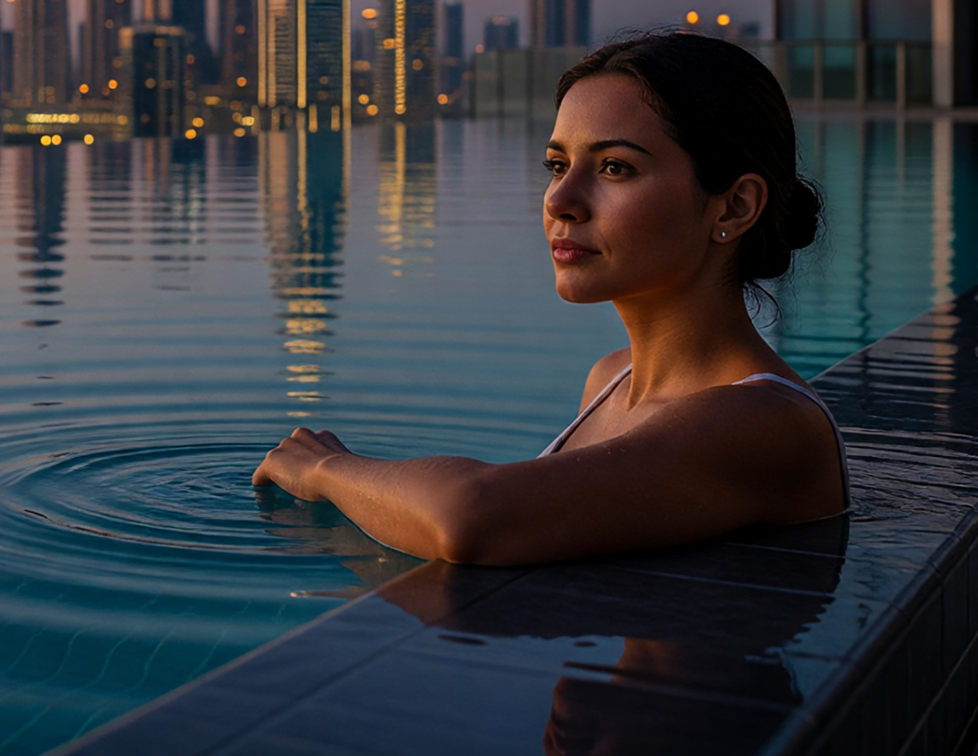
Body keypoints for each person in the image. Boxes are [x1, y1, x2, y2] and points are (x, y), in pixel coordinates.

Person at [251, 32, 846, 565]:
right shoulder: (611, 379)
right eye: (557, 165)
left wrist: (327, 468)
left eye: (615, 167)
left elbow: (471, 518)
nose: (561, 199)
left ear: (735, 206)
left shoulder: (765, 422)